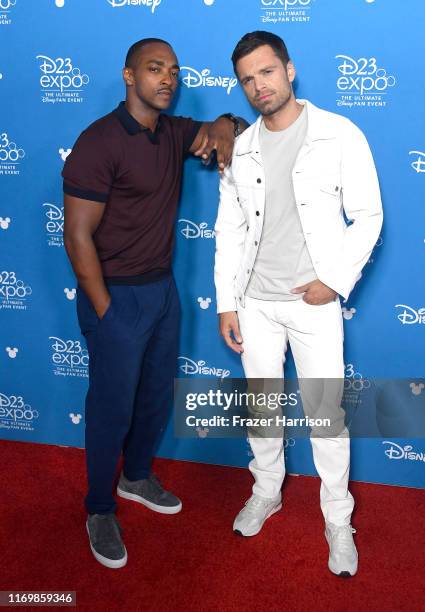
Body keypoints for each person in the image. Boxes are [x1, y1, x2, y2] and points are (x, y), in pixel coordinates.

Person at [63, 37, 245, 569]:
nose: (167, 78)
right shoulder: (98, 142)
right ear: (128, 75)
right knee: (111, 408)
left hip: (163, 292)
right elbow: (77, 236)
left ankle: (135, 476)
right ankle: (98, 508)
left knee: (154, 400)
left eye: (173, 70)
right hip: (115, 295)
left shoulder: (171, 131)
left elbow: (218, 129)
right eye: (153, 68)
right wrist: (105, 311)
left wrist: (228, 127)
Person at [214, 31, 383, 577]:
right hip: (255, 303)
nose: (257, 85)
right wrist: (227, 302)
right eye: (246, 78)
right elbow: (230, 230)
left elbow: (369, 215)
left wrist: (332, 282)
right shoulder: (240, 147)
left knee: (326, 415)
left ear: (289, 69)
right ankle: (266, 489)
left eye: (266, 72)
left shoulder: (339, 133)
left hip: (313, 304)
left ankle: (338, 518)